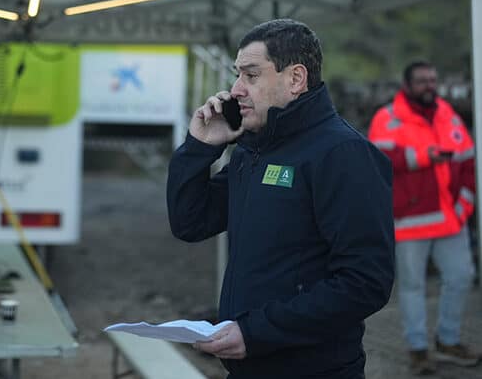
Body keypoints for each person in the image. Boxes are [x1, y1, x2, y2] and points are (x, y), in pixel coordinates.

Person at [167, 19, 395, 378]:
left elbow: (365, 283)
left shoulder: (343, 154)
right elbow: (190, 222)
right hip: (248, 366)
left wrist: (256, 333)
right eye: (237, 75)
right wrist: (199, 149)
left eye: (251, 75)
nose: (236, 89)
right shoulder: (255, 148)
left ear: (295, 79)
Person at [368, 61, 480, 374]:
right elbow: (378, 161)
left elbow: (468, 161)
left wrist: (464, 206)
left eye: (432, 80)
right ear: (406, 84)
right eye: (421, 81)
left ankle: (448, 339)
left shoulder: (448, 114)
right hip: (409, 219)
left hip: (450, 219)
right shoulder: (387, 118)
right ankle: (417, 349)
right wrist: (422, 157)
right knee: (414, 287)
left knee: (460, 277)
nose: (429, 85)